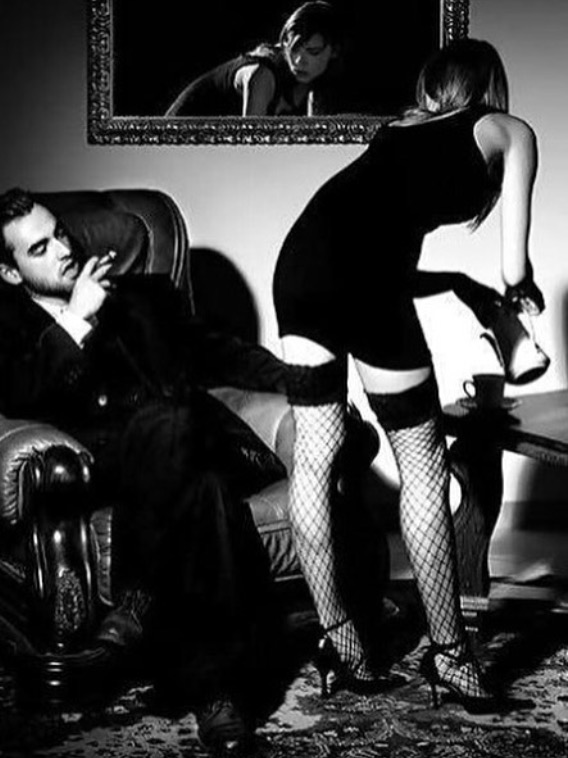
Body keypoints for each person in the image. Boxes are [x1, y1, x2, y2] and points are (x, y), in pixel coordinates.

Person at [272, 38, 545, 711]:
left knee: (315, 456)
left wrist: (457, 284)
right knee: (422, 464)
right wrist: (519, 300)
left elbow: (374, 251)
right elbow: (513, 269)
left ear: (432, 86)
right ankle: (450, 655)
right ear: (491, 87)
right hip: (359, 284)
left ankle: (341, 642)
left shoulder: (398, 129)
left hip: (300, 266)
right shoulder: (510, 129)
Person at [0, 189, 292, 754]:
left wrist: (305, 383)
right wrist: (76, 318)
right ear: (11, 272)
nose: (63, 250)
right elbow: (18, 397)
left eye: (60, 233)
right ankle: (207, 678)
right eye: (40, 248)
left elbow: (219, 351)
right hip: (99, 465)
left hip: (192, 443)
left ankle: (162, 627)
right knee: (202, 487)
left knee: (185, 450)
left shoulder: (142, 294)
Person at [164, 1, 343, 117]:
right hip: (169, 142)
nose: (298, 61)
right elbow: (251, 150)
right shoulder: (262, 75)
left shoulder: (313, 85)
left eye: (313, 51)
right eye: (294, 50)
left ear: (334, 51)